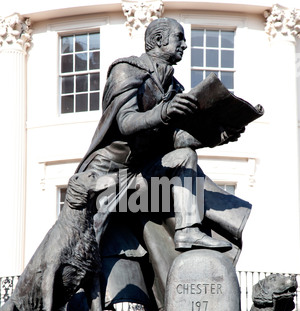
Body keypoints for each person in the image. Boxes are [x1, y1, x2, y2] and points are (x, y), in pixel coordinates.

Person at [77, 17, 241, 252]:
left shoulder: (175, 88)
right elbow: (125, 122)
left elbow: (174, 139)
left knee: (185, 156)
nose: (185, 45)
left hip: (141, 174)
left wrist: (217, 136)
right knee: (85, 249)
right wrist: (164, 111)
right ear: (158, 40)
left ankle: (187, 232)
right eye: (179, 38)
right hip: (107, 173)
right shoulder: (126, 69)